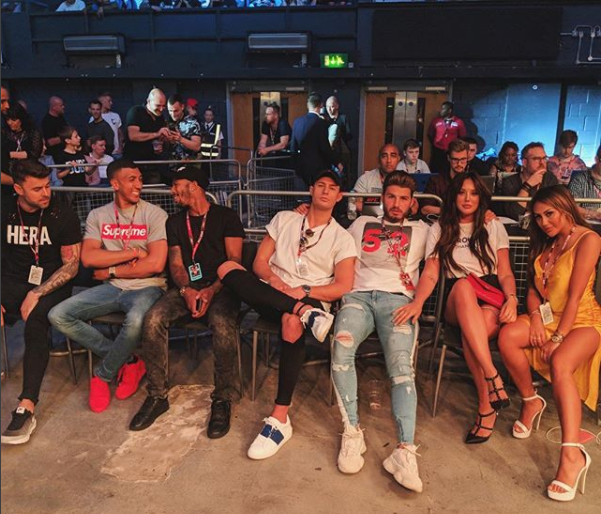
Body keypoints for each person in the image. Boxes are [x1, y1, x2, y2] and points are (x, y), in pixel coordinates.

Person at [217, 170, 356, 460]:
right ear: (311, 188)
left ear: (339, 196)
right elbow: (259, 262)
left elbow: (343, 286)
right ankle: (303, 312)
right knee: (227, 269)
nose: (326, 191)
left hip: (312, 297)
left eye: (332, 188)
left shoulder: (342, 238)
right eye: (320, 185)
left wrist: (304, 290)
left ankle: (280, 418)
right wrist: (277, 282)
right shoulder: (285, 219)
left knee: (290, 321)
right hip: (272, 293)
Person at [498, 185, 601, 502]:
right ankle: (531, 400)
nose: (543, 222)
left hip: (583, 319)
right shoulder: (546, 244)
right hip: (549, 316)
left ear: (565, 207)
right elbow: (533, 289)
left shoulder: (588, 239)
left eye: (549, 214)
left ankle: (572, 455)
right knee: (507, 336)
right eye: (538, 216)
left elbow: (574, 297)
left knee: (560, 362)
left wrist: (557, 337)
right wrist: (536, 318)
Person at [398, 172, 518, 443]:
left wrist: (511, 298)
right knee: (463, 286)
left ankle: (486, 409)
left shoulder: (493, 225)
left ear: (481, 197)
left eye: (474, 193)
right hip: (457, 295)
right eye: (462, 192)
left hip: (489, 295)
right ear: (453, 196)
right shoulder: (440, 227)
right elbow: (431, 271)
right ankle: (492, 375)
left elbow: (506, 273)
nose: (467, 198)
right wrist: (418, 301)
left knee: (472, 333)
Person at [129, 165, 245, 436]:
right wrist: (187, 291)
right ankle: (157, 395)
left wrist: (211, 290)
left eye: (176, 184)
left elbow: (235, 261)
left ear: (194, 186)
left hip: (223, 287)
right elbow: (177, 264)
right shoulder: (174, 222)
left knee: (222, 323)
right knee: (153, 319)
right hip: (187, 290)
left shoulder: (226, 217)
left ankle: (223, 399)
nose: (172, 190)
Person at [332, 171, 429, 493]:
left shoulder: (424, 230)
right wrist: (308, 212)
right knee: (341, 349)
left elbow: (452, 245)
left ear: (412, 203)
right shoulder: (360, 224)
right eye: (391, 197)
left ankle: (404, 452)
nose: (396, 204)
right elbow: (330, 238)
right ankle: (352, 433)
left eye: (403, 198)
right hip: (358, 297)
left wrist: (420, 302)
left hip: (398, 302)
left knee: (402, 369)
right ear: (382, 198)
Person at [48, 159, 168, 413]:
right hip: (112, 287)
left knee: (135, 320)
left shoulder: (155, 214)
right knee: (58, 315)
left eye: (140, 178)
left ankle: (102, 376)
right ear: (115, 184)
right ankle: (130, 360)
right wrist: (131, 254)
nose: (139, 184)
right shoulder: (98, 215)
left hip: (148, 287)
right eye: (131, 179)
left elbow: (155, 264)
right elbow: (89, 258)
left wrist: (111, 267)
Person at [1, 160, 82, 445]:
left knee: (36, 320)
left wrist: (37, 292)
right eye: (37, 189)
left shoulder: (63, 214)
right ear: (18, 188)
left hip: (51, 281)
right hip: (11, 280)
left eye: (47, 185)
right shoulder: (4, 210)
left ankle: (27, 405)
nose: (45, 193)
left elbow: (71, 265)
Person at [500, 142, 559, 221]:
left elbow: (553, 210)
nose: (542, 163)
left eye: (544, 158)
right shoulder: (510, 182)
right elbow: (515, 214)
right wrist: (528, 185)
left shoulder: (550, 179)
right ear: (524, 162)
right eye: (536, 159)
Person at [123, 88, 170, 184]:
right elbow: (133, 135)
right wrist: (156, 134)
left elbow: (160, 138)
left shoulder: (160, 117)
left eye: (163, 106)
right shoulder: (136, 112)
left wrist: (166, 138)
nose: (161, 109)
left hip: (152, 164)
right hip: (134, 163)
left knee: (153, 193)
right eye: (158, 105)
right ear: (149, 101)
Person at [290, 93, 337, 187]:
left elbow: (293, 148)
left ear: (308, 106)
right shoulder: (321, 123)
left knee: (304, 195)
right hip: (318, 168)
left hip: (302, 167)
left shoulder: (297, 122)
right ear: (321, 105)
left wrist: (296, 166)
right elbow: (324, 147)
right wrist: (334, 162)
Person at [421, 138, 469, 217]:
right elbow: (425, 209)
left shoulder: (472, 181)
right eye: (455, 159)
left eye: (463, 159)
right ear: (448, 158)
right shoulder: (435, 181)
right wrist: (453, 211)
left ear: (467, 159)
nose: (459, 163)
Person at [427, 101, 466, 174]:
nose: (441, 111)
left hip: (451, 151)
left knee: (449, 171)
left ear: (449, 110)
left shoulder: (459, 122)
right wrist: (435, 144)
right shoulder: (436, 121)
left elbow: (462, 137)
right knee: (435, 171)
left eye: (443, 109)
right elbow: (430, 134)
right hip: (437, 151)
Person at [166, 94, 202, 165]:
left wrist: (180, 139)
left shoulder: (192, 123)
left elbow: (197, 146)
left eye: (176, 111)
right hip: (171, 164)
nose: (173, 114)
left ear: (182, 107)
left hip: (189, 164)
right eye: (170, 111)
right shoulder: (167, 122)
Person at [568, 144, 601, 220]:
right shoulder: (579, 179)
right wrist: (594, 214)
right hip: (588, 226)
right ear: (596, 159)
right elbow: (571, 206)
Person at [257, 103, 292, 169]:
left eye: (268, 114)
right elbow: (263, 140)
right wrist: (261, 148)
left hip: (289, 154)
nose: (265, 116)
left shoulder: (283, 124)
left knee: (287, 174)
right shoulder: (266, 124)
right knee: (278, 172)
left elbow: (283, 144)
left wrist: (267, 149)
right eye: (266, 114)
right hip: (278, 154)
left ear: (275, 115)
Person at [96, 92, 123, 158]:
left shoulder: (115, 116)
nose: (111, 103)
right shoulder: (95, 117)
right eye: (109, 101)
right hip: (102, 153)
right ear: (102, 102)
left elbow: (120, 133)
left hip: (116, 153)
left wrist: (120, 147)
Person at [41, 96, 68, 160]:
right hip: (54, 156)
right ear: (54, 107)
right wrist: (66, 137)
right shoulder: (47, 121)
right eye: (61, 105)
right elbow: (49, 142)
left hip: (64, 153)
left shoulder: (61, 118)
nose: (63, 107)